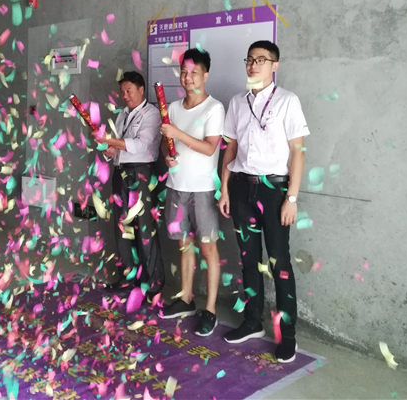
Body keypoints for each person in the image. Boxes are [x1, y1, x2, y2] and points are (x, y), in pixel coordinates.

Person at [218, 40, 309, 363]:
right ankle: (252, 321)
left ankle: (287, 335)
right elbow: (230, 147)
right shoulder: (237, 102)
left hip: (274, 191)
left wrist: (292, 198)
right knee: (248, 260)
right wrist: (224, 188)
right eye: (250, 59)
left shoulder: (287, 101)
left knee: (279, 263)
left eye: (261, 60)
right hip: (242, 188)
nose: (253, 65)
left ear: (274, 66)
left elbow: (298, 151)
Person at [158, 49, 225, 337]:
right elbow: (166, 143)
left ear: (205, 75)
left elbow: (210, 147)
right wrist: (167, 154)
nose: (188, 78)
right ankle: (186, 298)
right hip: (176, 187)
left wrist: (177, 134)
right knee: (184, 245)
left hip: (203, 190)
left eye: (194, 73)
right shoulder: (173, 108)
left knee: (208, 249)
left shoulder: (214, 108)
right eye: (184, 72)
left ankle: (210, 309)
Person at [102, 71, 164, 300]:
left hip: (141, 173)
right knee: (123, 227)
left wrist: (109, 140)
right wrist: (109, 150)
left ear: (141, 89)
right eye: (122, 92)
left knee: (145, 228)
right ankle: (128, 278)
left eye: (129, 91)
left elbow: (140, 144)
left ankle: (153, 284)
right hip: (120, 173)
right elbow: (116, 147)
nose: (125, 96)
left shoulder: (152, 114)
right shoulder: (122, 114)